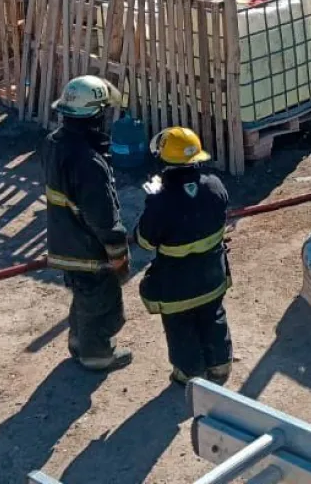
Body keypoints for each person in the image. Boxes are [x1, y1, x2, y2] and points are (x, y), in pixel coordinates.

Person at [42, 75, 132, 373]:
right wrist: (118, 254)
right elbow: (103, 217)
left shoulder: (54, 143)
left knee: (84, 294)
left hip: (64, 241)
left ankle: (78, 342)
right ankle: (97, 355)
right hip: (89, 248)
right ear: (96, 115)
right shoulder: (88, 162)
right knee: (102, 302)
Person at [135, 127, 233, 386]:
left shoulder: (160, 200)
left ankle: (189, 374)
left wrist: (154, 199)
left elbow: (145, 241)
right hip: (213, 277)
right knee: (213, 316)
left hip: (176, 286)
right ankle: (220, 366)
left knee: (180, 327)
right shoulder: (215, 185)